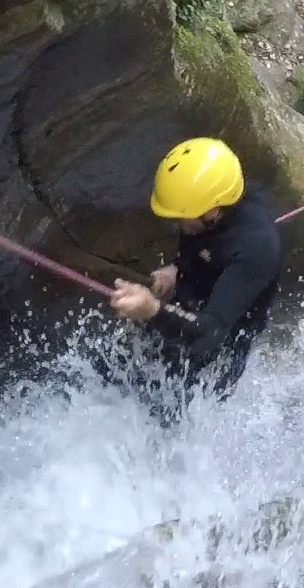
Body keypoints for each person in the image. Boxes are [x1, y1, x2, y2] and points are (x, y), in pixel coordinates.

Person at [108, 137, 282, 424]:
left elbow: (209, 335)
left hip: (218, 345)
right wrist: (176, 268)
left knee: (165, 420)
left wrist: (151, 310)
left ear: (212, 210)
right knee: (122, 380)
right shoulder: (214, 201)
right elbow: (203, 243)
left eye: (181, 216)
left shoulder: (257, 248)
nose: (178, 222)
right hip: (188, 304)